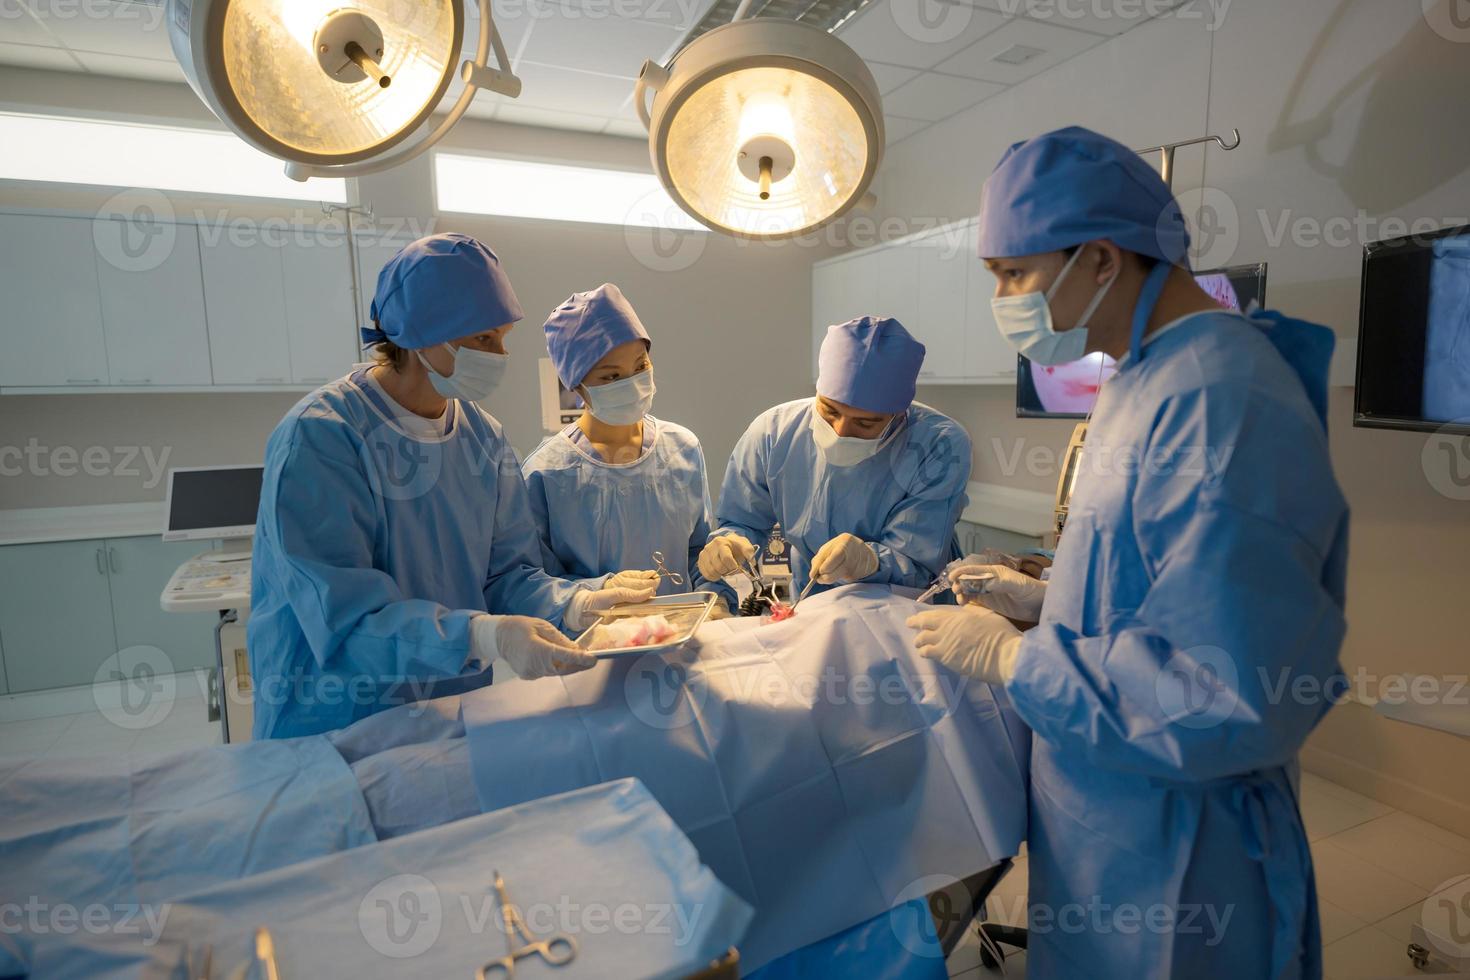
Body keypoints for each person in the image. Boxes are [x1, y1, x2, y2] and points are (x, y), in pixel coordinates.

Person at [908, 127, 1349, 979]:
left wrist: (1017, 659)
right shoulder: (1140, 379)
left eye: (1012, 274)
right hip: (1104, 814)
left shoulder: (1224, 400)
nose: (1002, 297)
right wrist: (1047, 600)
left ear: (1101, 260)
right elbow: (1154, 578)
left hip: (1181, 852)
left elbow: (1223, 691)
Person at [249, 234, 653, 739]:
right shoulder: (322, 437)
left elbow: (507, 576)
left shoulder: (482, 437)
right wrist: (482, 634)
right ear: (419, 334)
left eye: (503, 337)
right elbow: (346, 623)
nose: (500, 354)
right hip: (334, 725)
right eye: (483, 339)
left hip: (453, 713)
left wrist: (576, 601)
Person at [699, 315, 972, 605]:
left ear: (898, 415)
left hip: (908, 608)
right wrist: (728, 546)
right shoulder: (774, 432)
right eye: (829, 411)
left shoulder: (939, 444)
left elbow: (917, 562)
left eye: (865, 425)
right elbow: (742, 521)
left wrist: (869, 561)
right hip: (816, 602)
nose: (840, 432)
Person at [521, 283, 714, 597]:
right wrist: (596, 593)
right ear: (576, 384)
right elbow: (530, 584)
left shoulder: (683, 449)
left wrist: (714, 598)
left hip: (679, 640)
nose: (633, 384)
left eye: (640, 366)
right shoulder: (547, 473)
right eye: (611, 377)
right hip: (593, 643)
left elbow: (699, 554)